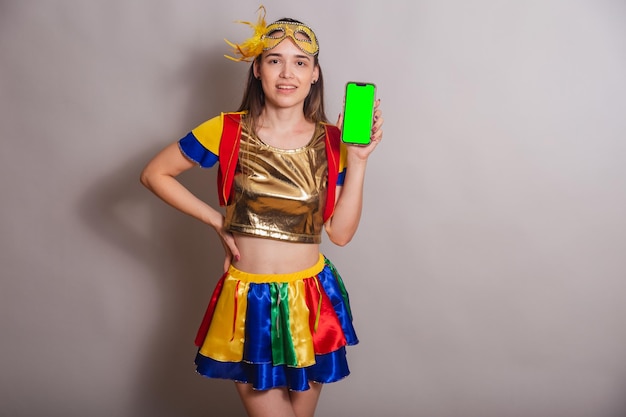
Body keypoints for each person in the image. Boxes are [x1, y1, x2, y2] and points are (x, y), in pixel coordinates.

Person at [140, 7, 383, 417]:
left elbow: (340, 234)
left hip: (311, 299)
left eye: (300, 62)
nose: (287, 73)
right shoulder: (227, 129)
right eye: (275, 60)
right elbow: (155, 174)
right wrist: (217, 220)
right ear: (257, 69)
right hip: (249, 301)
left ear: (314, 74)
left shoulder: (334, 141)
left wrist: (358, 160)